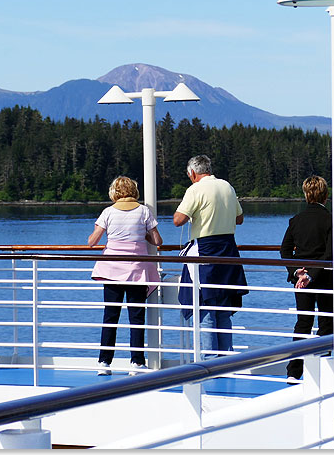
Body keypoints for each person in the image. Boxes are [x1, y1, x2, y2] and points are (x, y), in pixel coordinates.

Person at [173, 155, 248, 358]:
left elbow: (178, 220)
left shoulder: (195, 189)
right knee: (223, 307)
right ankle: (227, 357)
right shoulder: (227, 186)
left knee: (205, 306)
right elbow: (239, 219)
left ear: (192, 173)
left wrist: (195, 213)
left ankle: (209, 359)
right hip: (228, 251)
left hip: (205, 252)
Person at [87, 176, 162, 376]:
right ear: (134, 191)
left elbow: (92, 242)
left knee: (110, 316)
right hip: (136, 270)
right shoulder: (144, 211)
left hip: (112, 270)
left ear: (115, 193)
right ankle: (137, 363)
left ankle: (104, 362)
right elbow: (157, 240)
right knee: (137, 317)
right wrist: (142, 234)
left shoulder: (108, 212)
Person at [279, 175, 332, 381]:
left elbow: (285, 250)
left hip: (301, 280)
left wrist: (296, 272)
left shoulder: (296, 220)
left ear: (305, 195)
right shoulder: (330, 220)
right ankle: (320, 368)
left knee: (303, 322)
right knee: (327, 322)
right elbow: (329, 254)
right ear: (325, 196)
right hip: (325, 278)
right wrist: (312, 274)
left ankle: (294, 371)